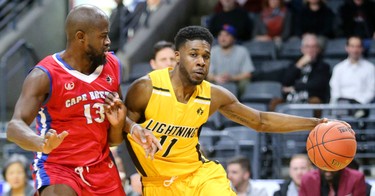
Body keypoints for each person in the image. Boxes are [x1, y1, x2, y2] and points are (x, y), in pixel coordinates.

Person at [115, 25, 331, 195]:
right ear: (178, 56)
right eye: (193, 55)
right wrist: (134, 153)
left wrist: (314, 124)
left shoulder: (213, 95)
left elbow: (260, 120)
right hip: (158, 182)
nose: (201, 62)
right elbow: (119, 130)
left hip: (199, 176)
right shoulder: (146, 88)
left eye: (206, 56)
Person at [6, 5, 160, 196]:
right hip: (59, 166)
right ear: (81, 37)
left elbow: (116, 124)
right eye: (103, 36)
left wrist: (133, 127)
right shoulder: (44, 75)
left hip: (101, 165)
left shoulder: (112, 65)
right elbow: (14, 126)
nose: (108, 42)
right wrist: (40, 143)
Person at [270, 33, 331, 113]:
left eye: (314, 47)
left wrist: (294, 87)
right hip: (291, 98)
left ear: (318, 49)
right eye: (307, 47)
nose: (311, 50)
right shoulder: (294, 64)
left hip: (310, 99)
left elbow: (317, 85)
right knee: (275, 102)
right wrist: (299, 65)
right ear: (302, 49)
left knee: (315, 101)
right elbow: (285, 81)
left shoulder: (323, 66)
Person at [330, 36, 375, 118]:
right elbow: (335, 90)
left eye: (358, 46)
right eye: (352, 46)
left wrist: (358, 104)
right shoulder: (338, 68)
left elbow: (372, 90)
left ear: (362, 48)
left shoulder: (370, 68)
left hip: (362, 108)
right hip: (342, 108)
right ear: (347, 48)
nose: (355, 50)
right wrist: (345, 105)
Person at [207, 24, 255, 97]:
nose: (223, 38)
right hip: (217, 83)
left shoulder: (242, 51)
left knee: (245, 82)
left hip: (236, 84)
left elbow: (248, 74)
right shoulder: (212, 51)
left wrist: (231, 78)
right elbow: (208, 74)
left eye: (227, 35)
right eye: (220, 35)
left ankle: (242, 103)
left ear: (234, 38)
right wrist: (216, 77)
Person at [299, 167, 367, 196]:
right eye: (324, 167)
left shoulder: (356, 178)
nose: (328, 173)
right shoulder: (307, 179)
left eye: (331, 168)